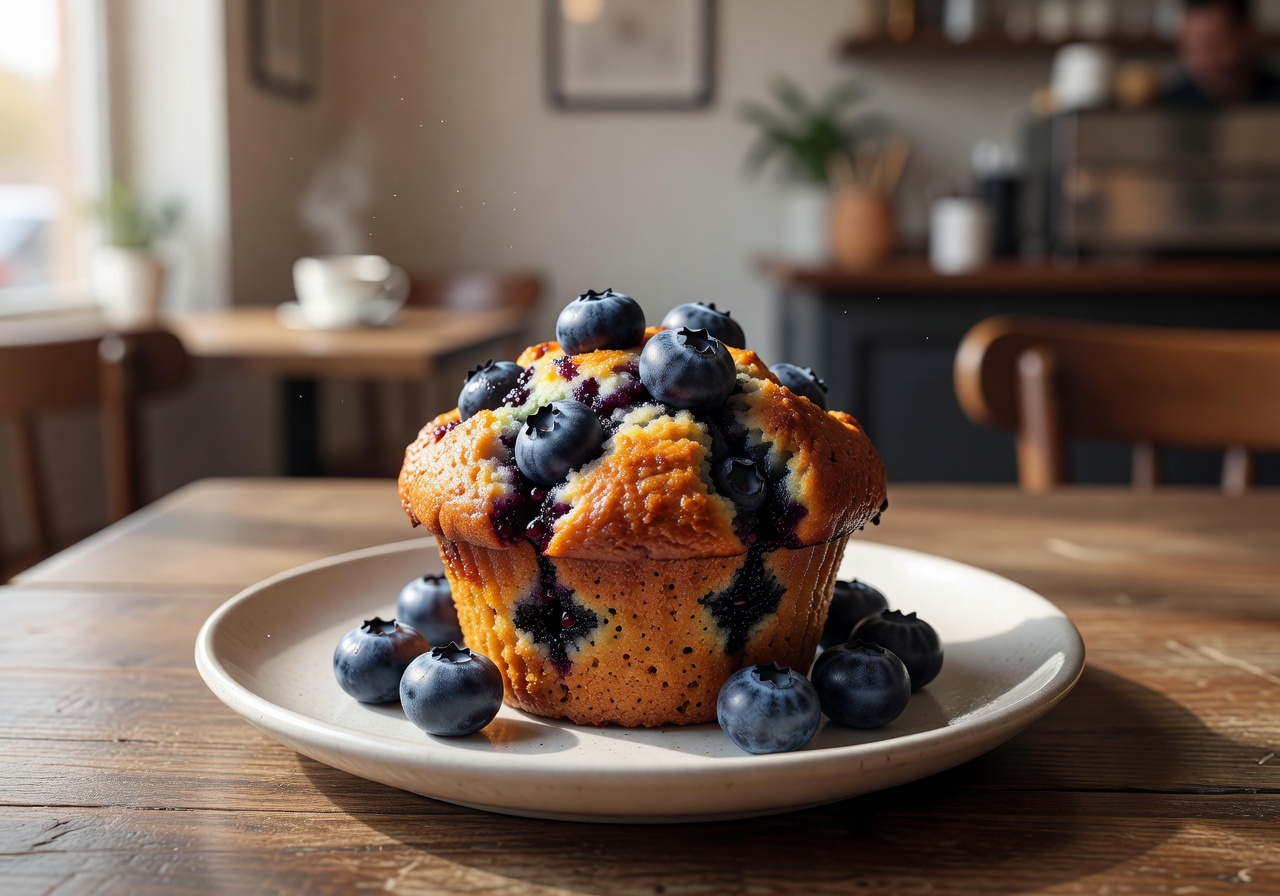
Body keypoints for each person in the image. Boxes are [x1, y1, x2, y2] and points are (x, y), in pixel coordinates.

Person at [1163, 0, 1280, 103]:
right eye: (1191, 47)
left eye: (1213, 45)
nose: (1202, 61)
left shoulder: (1273, 98)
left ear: (1248, 32)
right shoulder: (1172, 105)